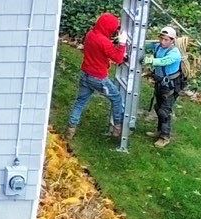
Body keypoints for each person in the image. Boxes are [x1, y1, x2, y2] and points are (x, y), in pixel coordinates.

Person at [66, 12, 129, 142]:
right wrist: (122, 44)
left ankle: (70, 130)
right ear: (108, 28)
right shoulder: (104, 42)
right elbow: (117, 58)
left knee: (80, 102)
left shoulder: (90, 34)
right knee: (116, 99)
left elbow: (102, 51)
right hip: (98, 78)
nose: (114, 31)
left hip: (85, 74)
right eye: (114, 28)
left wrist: (113, 44)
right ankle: (118, 128)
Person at [144, 23, 191, 146]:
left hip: (170, 85)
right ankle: (159, 131)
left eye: (166, 39)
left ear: (172, 41)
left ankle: (165, 137)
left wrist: (151, 60)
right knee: (158, 107)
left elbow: (164, 61)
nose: (163, 42)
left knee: (164, 111)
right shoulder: (158, 46)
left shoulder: (175, 53)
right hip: (160, 83)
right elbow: (145, 44)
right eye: (161, 38)